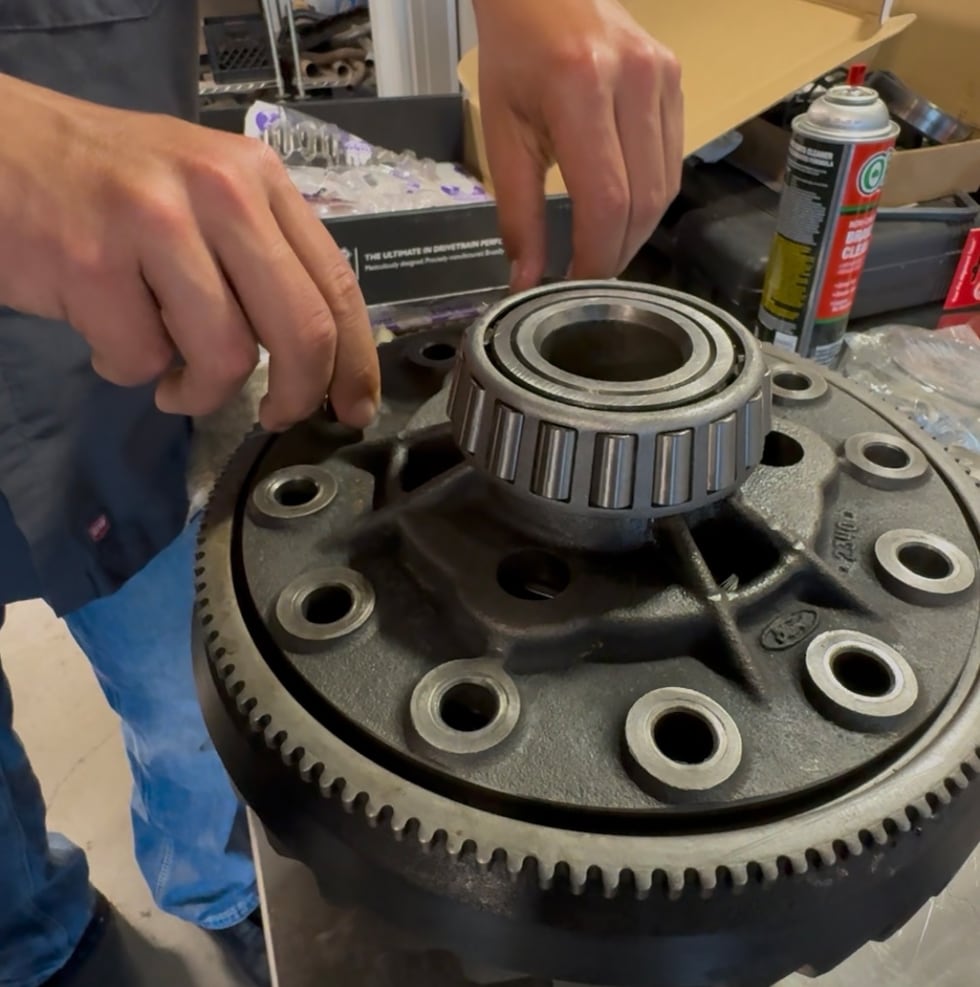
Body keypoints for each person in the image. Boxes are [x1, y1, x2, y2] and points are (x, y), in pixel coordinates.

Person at [0, 1, 682, 985]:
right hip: (89, 241)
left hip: (126, 359)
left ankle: (221, 892)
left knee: (187, 692)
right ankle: (40, 948)